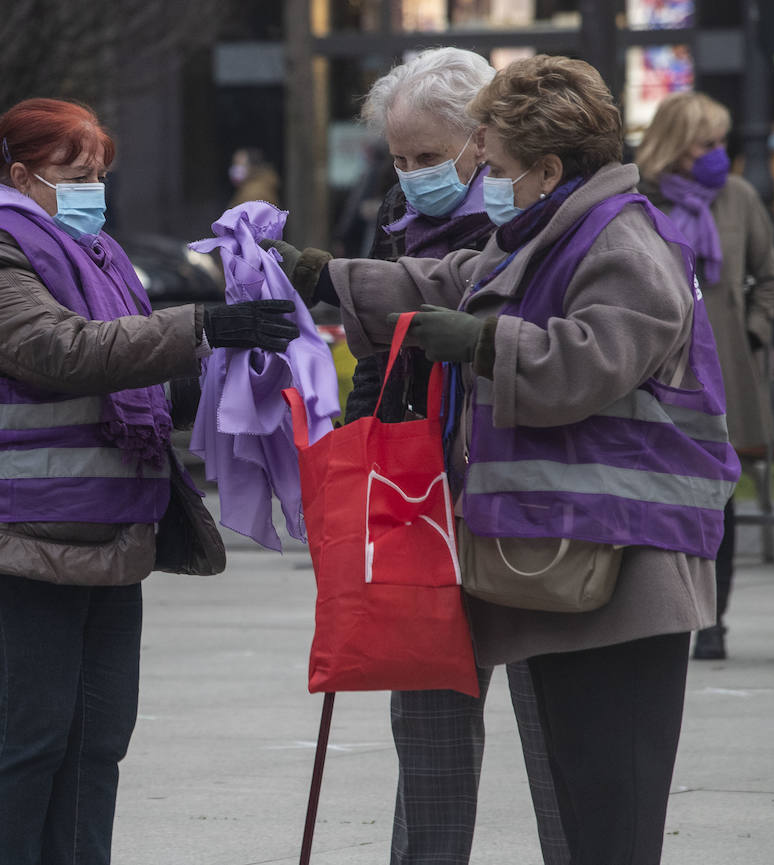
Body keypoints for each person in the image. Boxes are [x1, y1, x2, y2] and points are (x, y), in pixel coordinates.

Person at [271, 55, 736, 865]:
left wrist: (484, 342)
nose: (487, 179)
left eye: (499, 166)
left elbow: (586, 362)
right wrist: (323, 275)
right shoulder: (543, 232)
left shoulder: (622, 236)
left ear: (548, 168)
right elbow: (440, 278)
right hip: (571, 559)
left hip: (628, 569)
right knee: (583, 803)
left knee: (609, 821)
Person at [0, 98, 298, 865]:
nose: (94, 188)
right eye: (75, 173)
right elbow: (62, 349)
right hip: (21, 533)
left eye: (100, 173)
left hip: (112, 525)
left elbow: (138, 376)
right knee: (31, 738)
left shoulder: (98, 255)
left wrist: (242, 367)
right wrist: (204, 326)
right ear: (21, 175)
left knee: (97, 743)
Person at [270, 46, 568, 865]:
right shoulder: (403, 217)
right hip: (419, 500)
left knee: (558, 730)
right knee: (429, 726)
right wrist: (359, 443)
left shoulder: (534, 217)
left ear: (484, 139)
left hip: (515, 500)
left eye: (428, 158)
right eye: (399, 160)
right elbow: (382, 354)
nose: (411, 176)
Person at [635, 91, 774, 660]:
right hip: (656, 376)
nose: (718, 154)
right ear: (675, 145)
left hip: (723, 375)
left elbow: (771, 280)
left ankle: (714, 622)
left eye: (722, 142)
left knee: (717, 501)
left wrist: (750, 332)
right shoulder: (637, 200)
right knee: (658, 499)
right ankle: (662, 617)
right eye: (707, 143)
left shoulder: (740, 197)